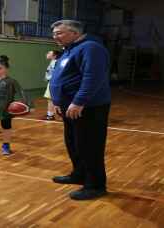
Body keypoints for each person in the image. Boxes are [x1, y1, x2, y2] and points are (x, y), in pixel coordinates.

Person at [49, 20, 111, 200]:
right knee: (74, 144)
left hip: (88, 108)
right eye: (54, 33)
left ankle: (96, 185)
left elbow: (93, 77)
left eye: (59, 33)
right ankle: (79, 174)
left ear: (75, 33)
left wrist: (78, 101)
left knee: (90, 146)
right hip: (69, 107)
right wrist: (58, 102)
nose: (55, 36)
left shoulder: (91, 48)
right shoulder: (69, 50)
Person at [42, 50, 62, 121]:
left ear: (54, 55)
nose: (47, 54)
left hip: (53, 82)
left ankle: (50, 115)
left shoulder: (55, 62)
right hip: (53, 82)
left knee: (50, 99)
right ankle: (57, 113)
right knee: (52, 99)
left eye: (49, 53)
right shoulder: (54, 62)